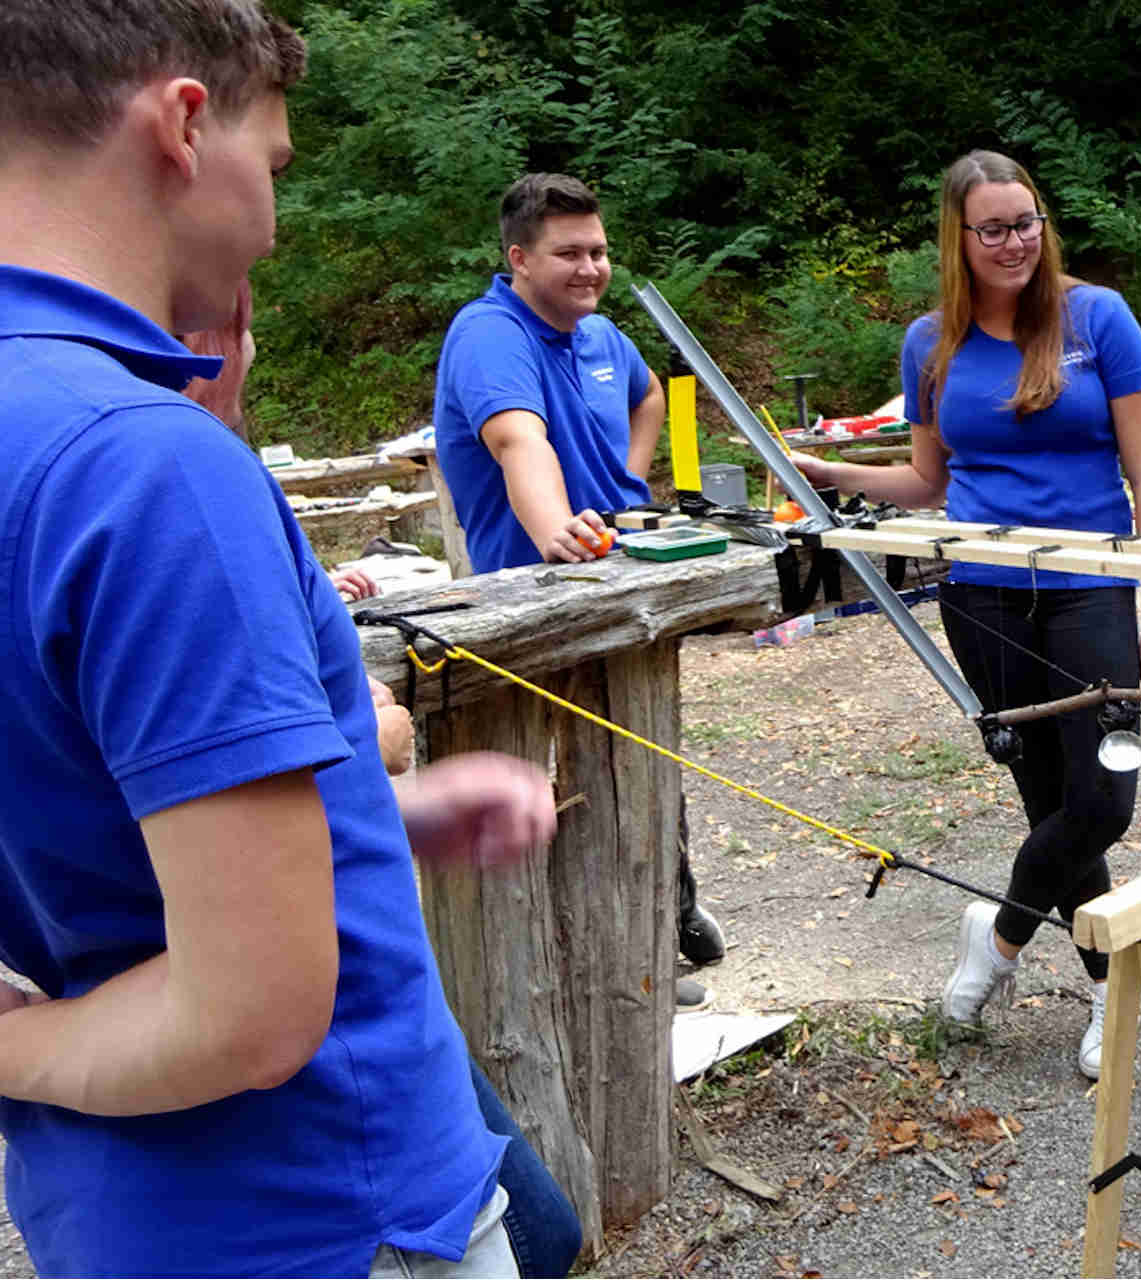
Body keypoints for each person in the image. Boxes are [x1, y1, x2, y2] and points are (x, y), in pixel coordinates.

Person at [0, 2, 558, 1274]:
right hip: (324, 1215)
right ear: (187, 124)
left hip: (117, 1217)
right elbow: (248, 1015)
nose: (278, 208)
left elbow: (84, 812)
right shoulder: (148, 469)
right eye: (280, 160)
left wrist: (371, 809)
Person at [181, 289, 586, 1277]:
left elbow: (312, 731)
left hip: (367, 990)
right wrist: (375, 750)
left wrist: (398, 797)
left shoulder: (221, 485)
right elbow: (265, 774)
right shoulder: (176, 494)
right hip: (327, 1078)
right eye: (231, 322)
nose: (247, 345)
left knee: (545, 1230)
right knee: (539, 1233)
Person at [789, 150, 1141, 1080]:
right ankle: (1107, 993)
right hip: (981, 594)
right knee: (1045, 796)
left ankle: (997, 940)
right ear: (958, 239)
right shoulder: (934, 342)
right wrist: (833, 474)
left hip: (1088, 583)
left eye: (1027, 222)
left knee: (1103, 794)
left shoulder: (1099, 319)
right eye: (994, 228)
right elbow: (930, 481)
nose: (1015, 242)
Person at [434, 172, 726, 971]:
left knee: (631, 750)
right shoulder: (490, 334)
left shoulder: (603, 338)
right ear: (520, 257)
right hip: (530, 595)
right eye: (569, 254)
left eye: (598, 251)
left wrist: (629, 484)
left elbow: (650, 402)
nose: (591, 268)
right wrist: (556, 527)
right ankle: (540, 957)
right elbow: (516, 441)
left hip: (621, 582)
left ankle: (666, 917)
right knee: (542, 776)